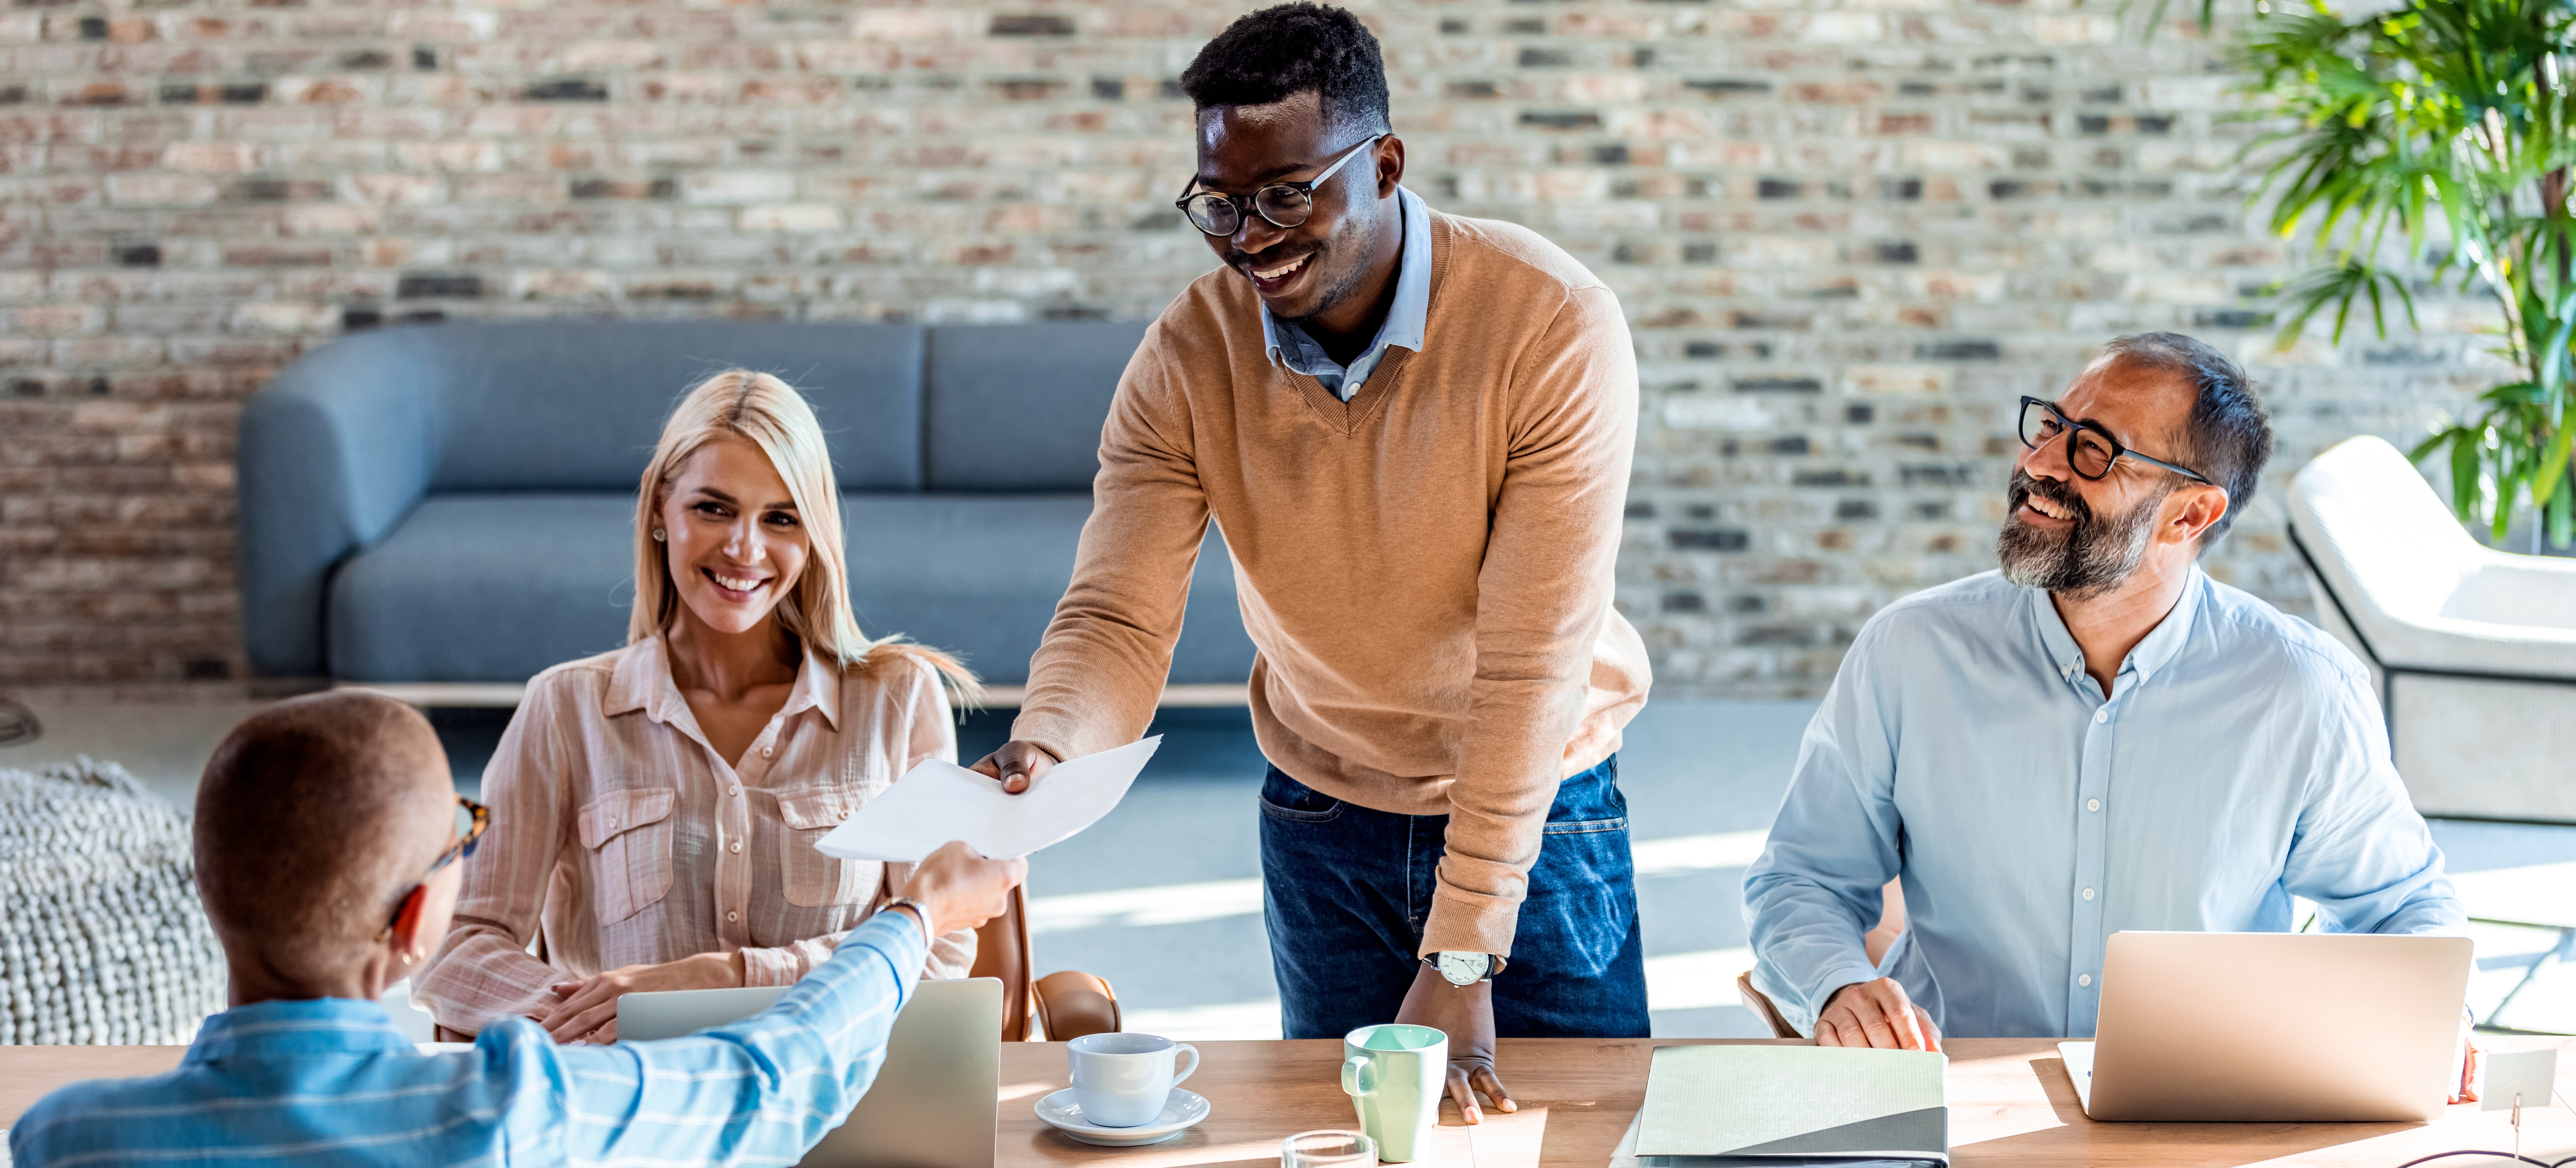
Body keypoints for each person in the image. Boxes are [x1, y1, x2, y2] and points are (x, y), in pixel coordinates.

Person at [968, 2, 1651, 1122]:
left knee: (1579, 1134)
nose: (1252, 237)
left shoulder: (1550, 324)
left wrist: (1468, 948)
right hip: (1323, 812)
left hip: (1541, 810)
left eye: (1289, 194)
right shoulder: (1190, 355)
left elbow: (1531, 663)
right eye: (1222, 205)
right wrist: (1050, 743)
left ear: (1384, 164)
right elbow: (1118, 617)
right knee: (1346, 1138)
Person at [1743, 333, 2466, 1049]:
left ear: (2190, 515)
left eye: (2093, 448)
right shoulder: (1909, 654)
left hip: (2197, 1114)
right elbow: (1802, 879)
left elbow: (2399, 906)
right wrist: (1838, 985)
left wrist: (2434, 1016)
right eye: (2052, 425)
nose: (2038, 462)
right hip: (1950, 1099)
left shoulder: (2301, 691)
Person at [5, 691, 1024, 1166]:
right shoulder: (510, 1112)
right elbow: (775, 1076)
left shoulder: (64, 1138)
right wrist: (919, 910)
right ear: (415, 924)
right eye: (461, 842)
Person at [416, 369, 985, 1042]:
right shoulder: (566, 709)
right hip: (630, 1105)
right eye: (713, 508)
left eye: (780, 518)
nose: (745, 549)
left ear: (815, 537)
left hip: (837, 1102)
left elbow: (938, 949)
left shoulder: (897, 699)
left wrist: (716, 982)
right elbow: (455, 952)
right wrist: (590, 1008)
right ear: (660, 509)